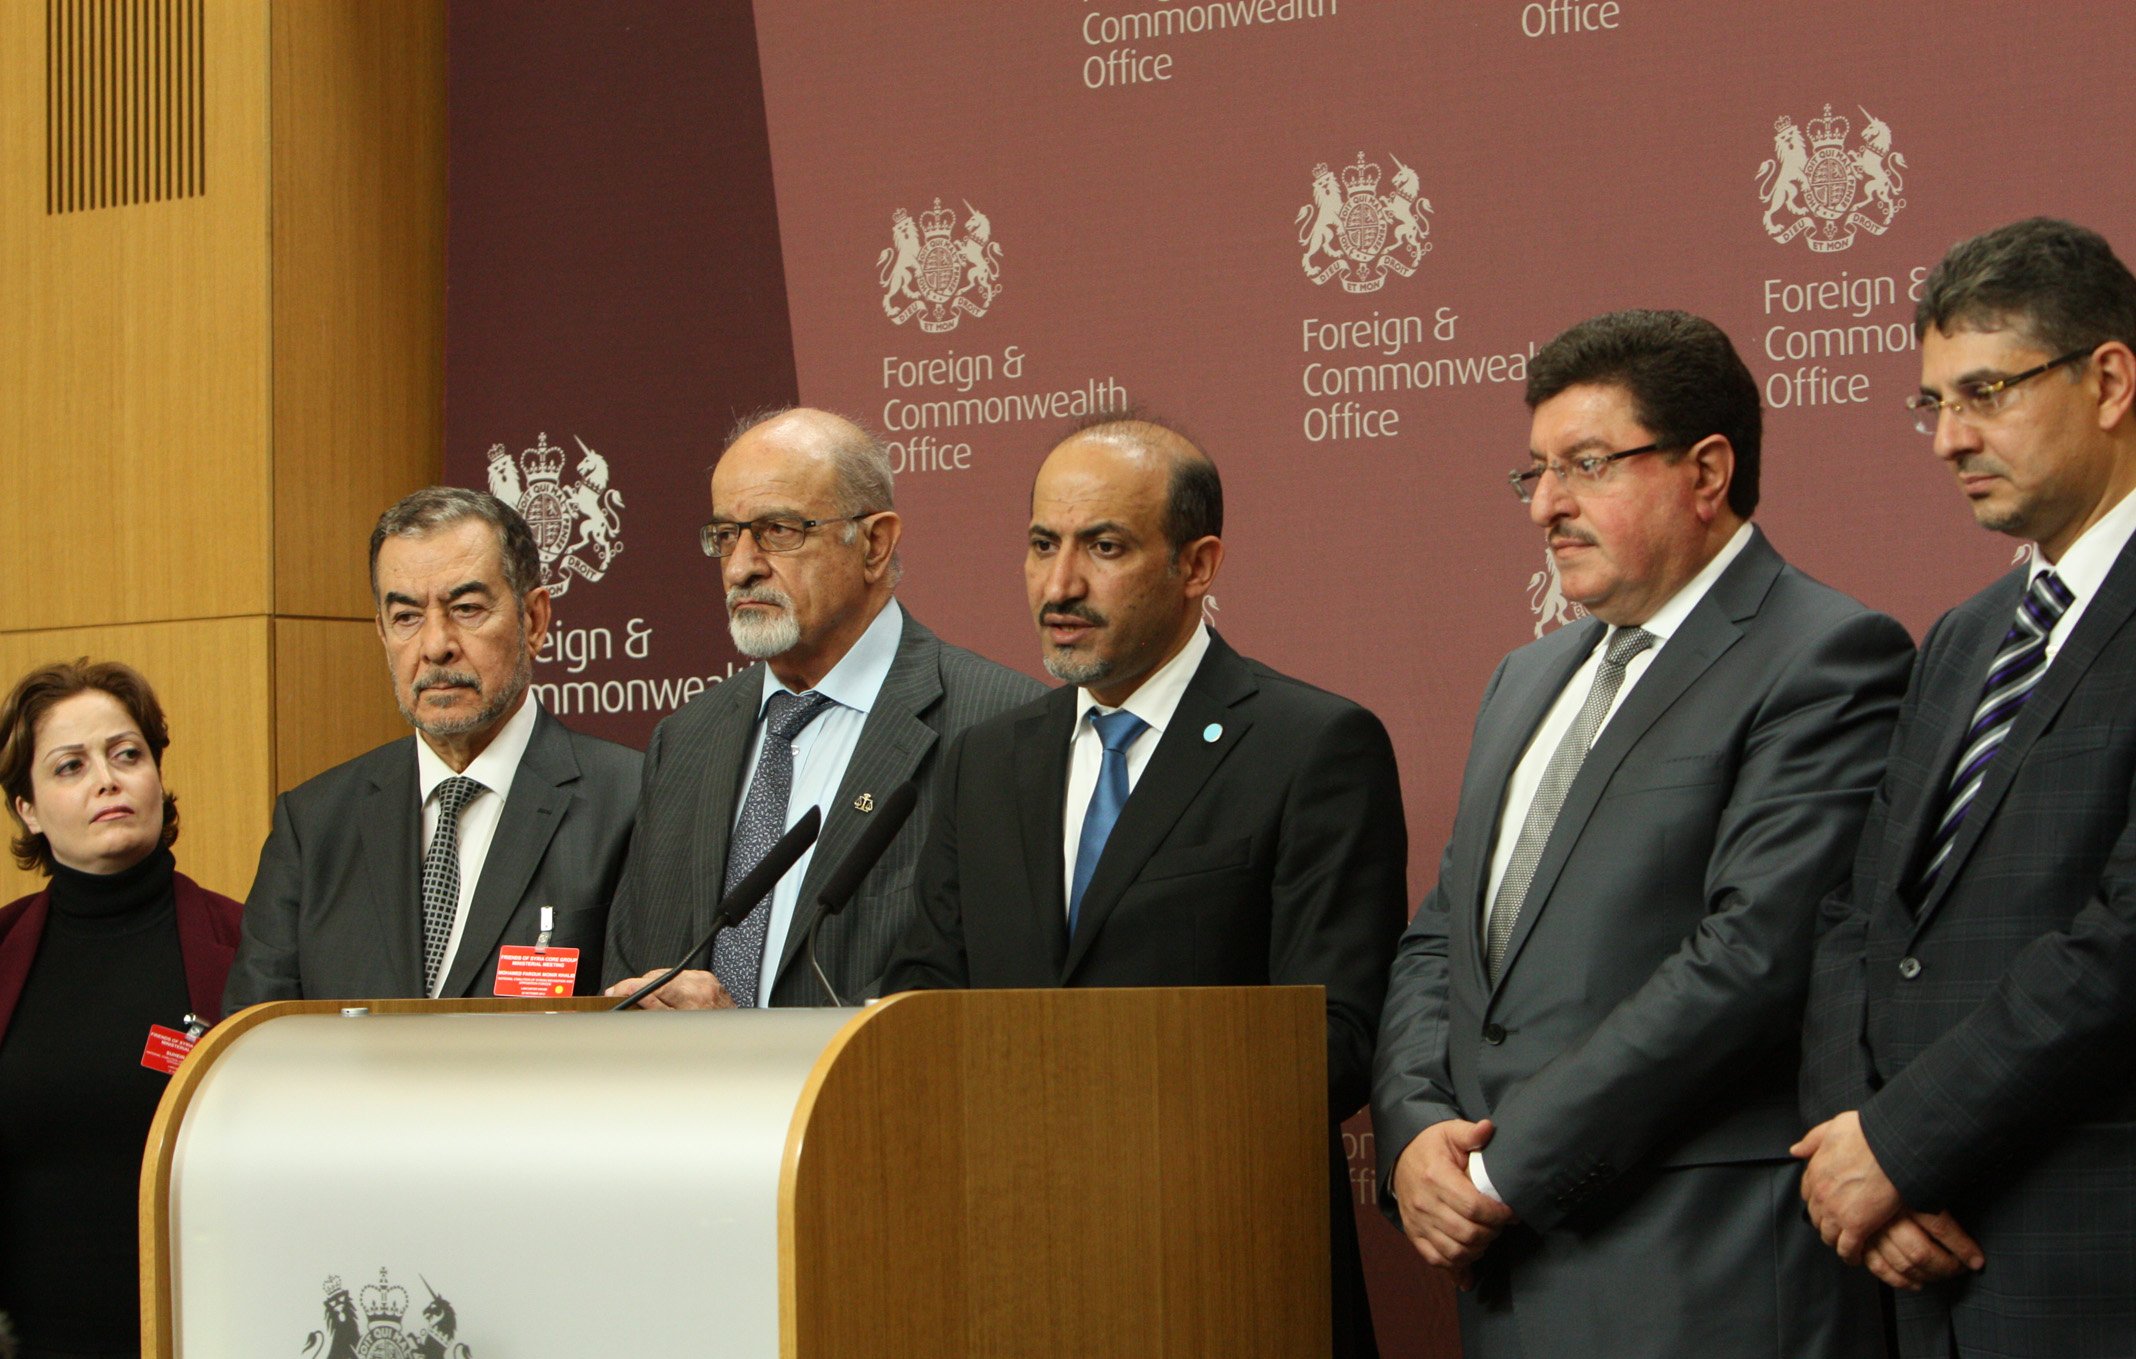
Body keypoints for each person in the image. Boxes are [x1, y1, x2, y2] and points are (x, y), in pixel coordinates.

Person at [1371, 309, 1912, 1359]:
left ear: (1707, 472)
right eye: (1533, 472)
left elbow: (1750, 959)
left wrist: (1501, 1171)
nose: (1548, 507)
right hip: (1507, 1281)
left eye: (1585, 465)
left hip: (1697, 1273)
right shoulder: (1526, 680)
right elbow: (1444, 935)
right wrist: (1411, 1135)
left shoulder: (1827, 657)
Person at [884, 414, 1407, 1359]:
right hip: (1007, 1275)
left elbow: (1335, 1038)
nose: (1061, 585)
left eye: (1105, 547)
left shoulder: (1310, 747)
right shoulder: (985, 762)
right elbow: (930, 993)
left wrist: (1092, 1103)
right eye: (1043, 545)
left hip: (1224, 1273)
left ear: (1198, 566)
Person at [1798, 218, 2136, 1357]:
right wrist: (1857, 1148)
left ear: (2109, 380)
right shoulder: (1962, 640)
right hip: (1920, 1272)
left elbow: (2123, 942)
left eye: (1985, 392)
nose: (1949, 439)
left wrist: (1901, 1147)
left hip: (2093, 1258)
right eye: (1931, 404)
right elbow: (1858, 918)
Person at [602, 408, 1040, 1007]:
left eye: (778, 530)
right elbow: (631, 964)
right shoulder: (685, 740)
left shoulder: (999, 728)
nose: (740, 566)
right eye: (726, 535)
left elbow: (992, 987)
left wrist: (749, 1052)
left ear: (875, 543)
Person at [224, 488, 640, 1007]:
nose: (435, 645)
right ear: (381, 632)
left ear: (534, 620)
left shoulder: (631, 800)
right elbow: (258, 1042)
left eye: (465, 609)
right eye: (406, 617)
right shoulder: (313, 825)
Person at [0, 659, 244, 1358]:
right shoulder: (3, 952)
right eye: (69, 766)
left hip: (206, 1333)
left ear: (157, 777)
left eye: (125, 754)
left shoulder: (248, 946)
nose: (107, 779)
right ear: (28, 808)